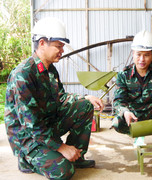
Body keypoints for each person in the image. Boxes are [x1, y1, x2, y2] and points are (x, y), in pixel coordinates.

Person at [4, 17, 104, 179]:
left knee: (84, 105)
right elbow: (31, 125)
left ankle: (76, 156)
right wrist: (61, 147)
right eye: (58, 46)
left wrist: (85, 97)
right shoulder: (23, 74)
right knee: (64, 171)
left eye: (62, 47)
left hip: (45, 126)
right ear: (42, 43)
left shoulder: (50, 70)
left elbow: (60, 97)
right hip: (28, 137)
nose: (62, 51)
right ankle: (26, 159)